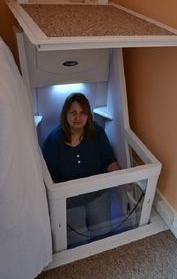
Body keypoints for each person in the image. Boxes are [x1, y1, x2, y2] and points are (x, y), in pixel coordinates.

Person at [42, 92, 120, 244]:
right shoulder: (53, 140)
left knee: (104, 236)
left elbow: (109, 160)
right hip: (69, 199)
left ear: (88, 115)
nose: (78, 117)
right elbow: (49, 177)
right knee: (77, 241)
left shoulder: (97, 133)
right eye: (73, 112)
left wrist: (125, 180)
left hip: (98, 193)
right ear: (65, 114)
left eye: (83, 113)